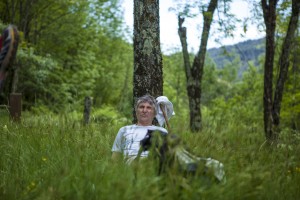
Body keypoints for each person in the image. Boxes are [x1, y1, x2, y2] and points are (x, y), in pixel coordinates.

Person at [111, 94, 168, 164]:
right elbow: (115, 157)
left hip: (153, 163)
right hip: (131, 163)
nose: (144, 110)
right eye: (141, 107)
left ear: (154, 113)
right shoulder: (124, 130)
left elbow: (167, 156)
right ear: (136, 111)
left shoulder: (161, 131)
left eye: (149, 108)